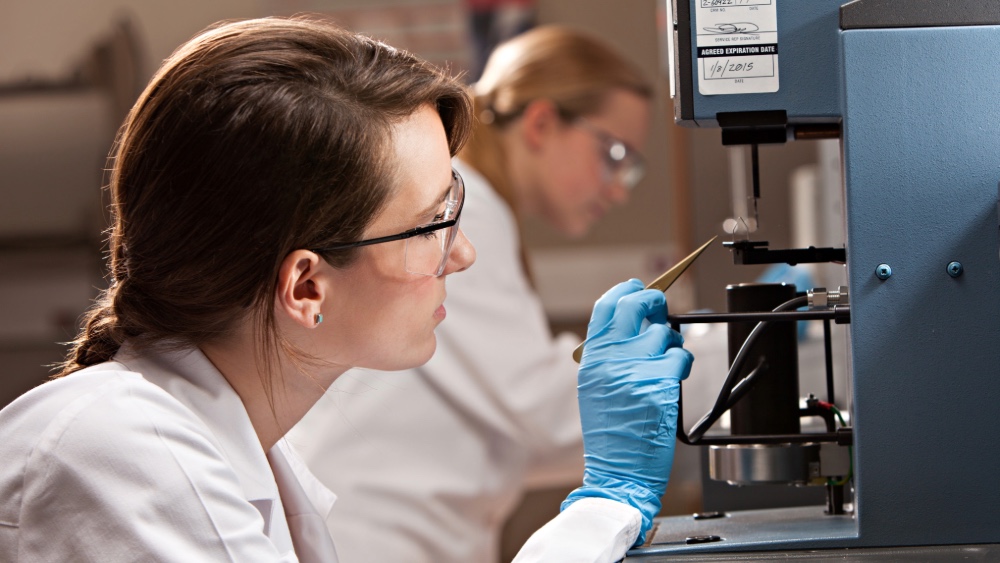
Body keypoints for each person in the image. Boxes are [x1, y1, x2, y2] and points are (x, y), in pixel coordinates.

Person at [0, 16, 692, 563]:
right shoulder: (131, 462)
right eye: (431, 225)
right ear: (305, 286)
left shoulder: (244, 454)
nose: (465, 252)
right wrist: (603, 507)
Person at [289, 25, 656, 563]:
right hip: (378, 532)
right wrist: (711, 360)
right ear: (541, 123)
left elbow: (518, 433)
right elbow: (540, 411)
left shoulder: (481, 209)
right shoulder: (467, 208)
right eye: (616, 153)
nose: (620, 185)